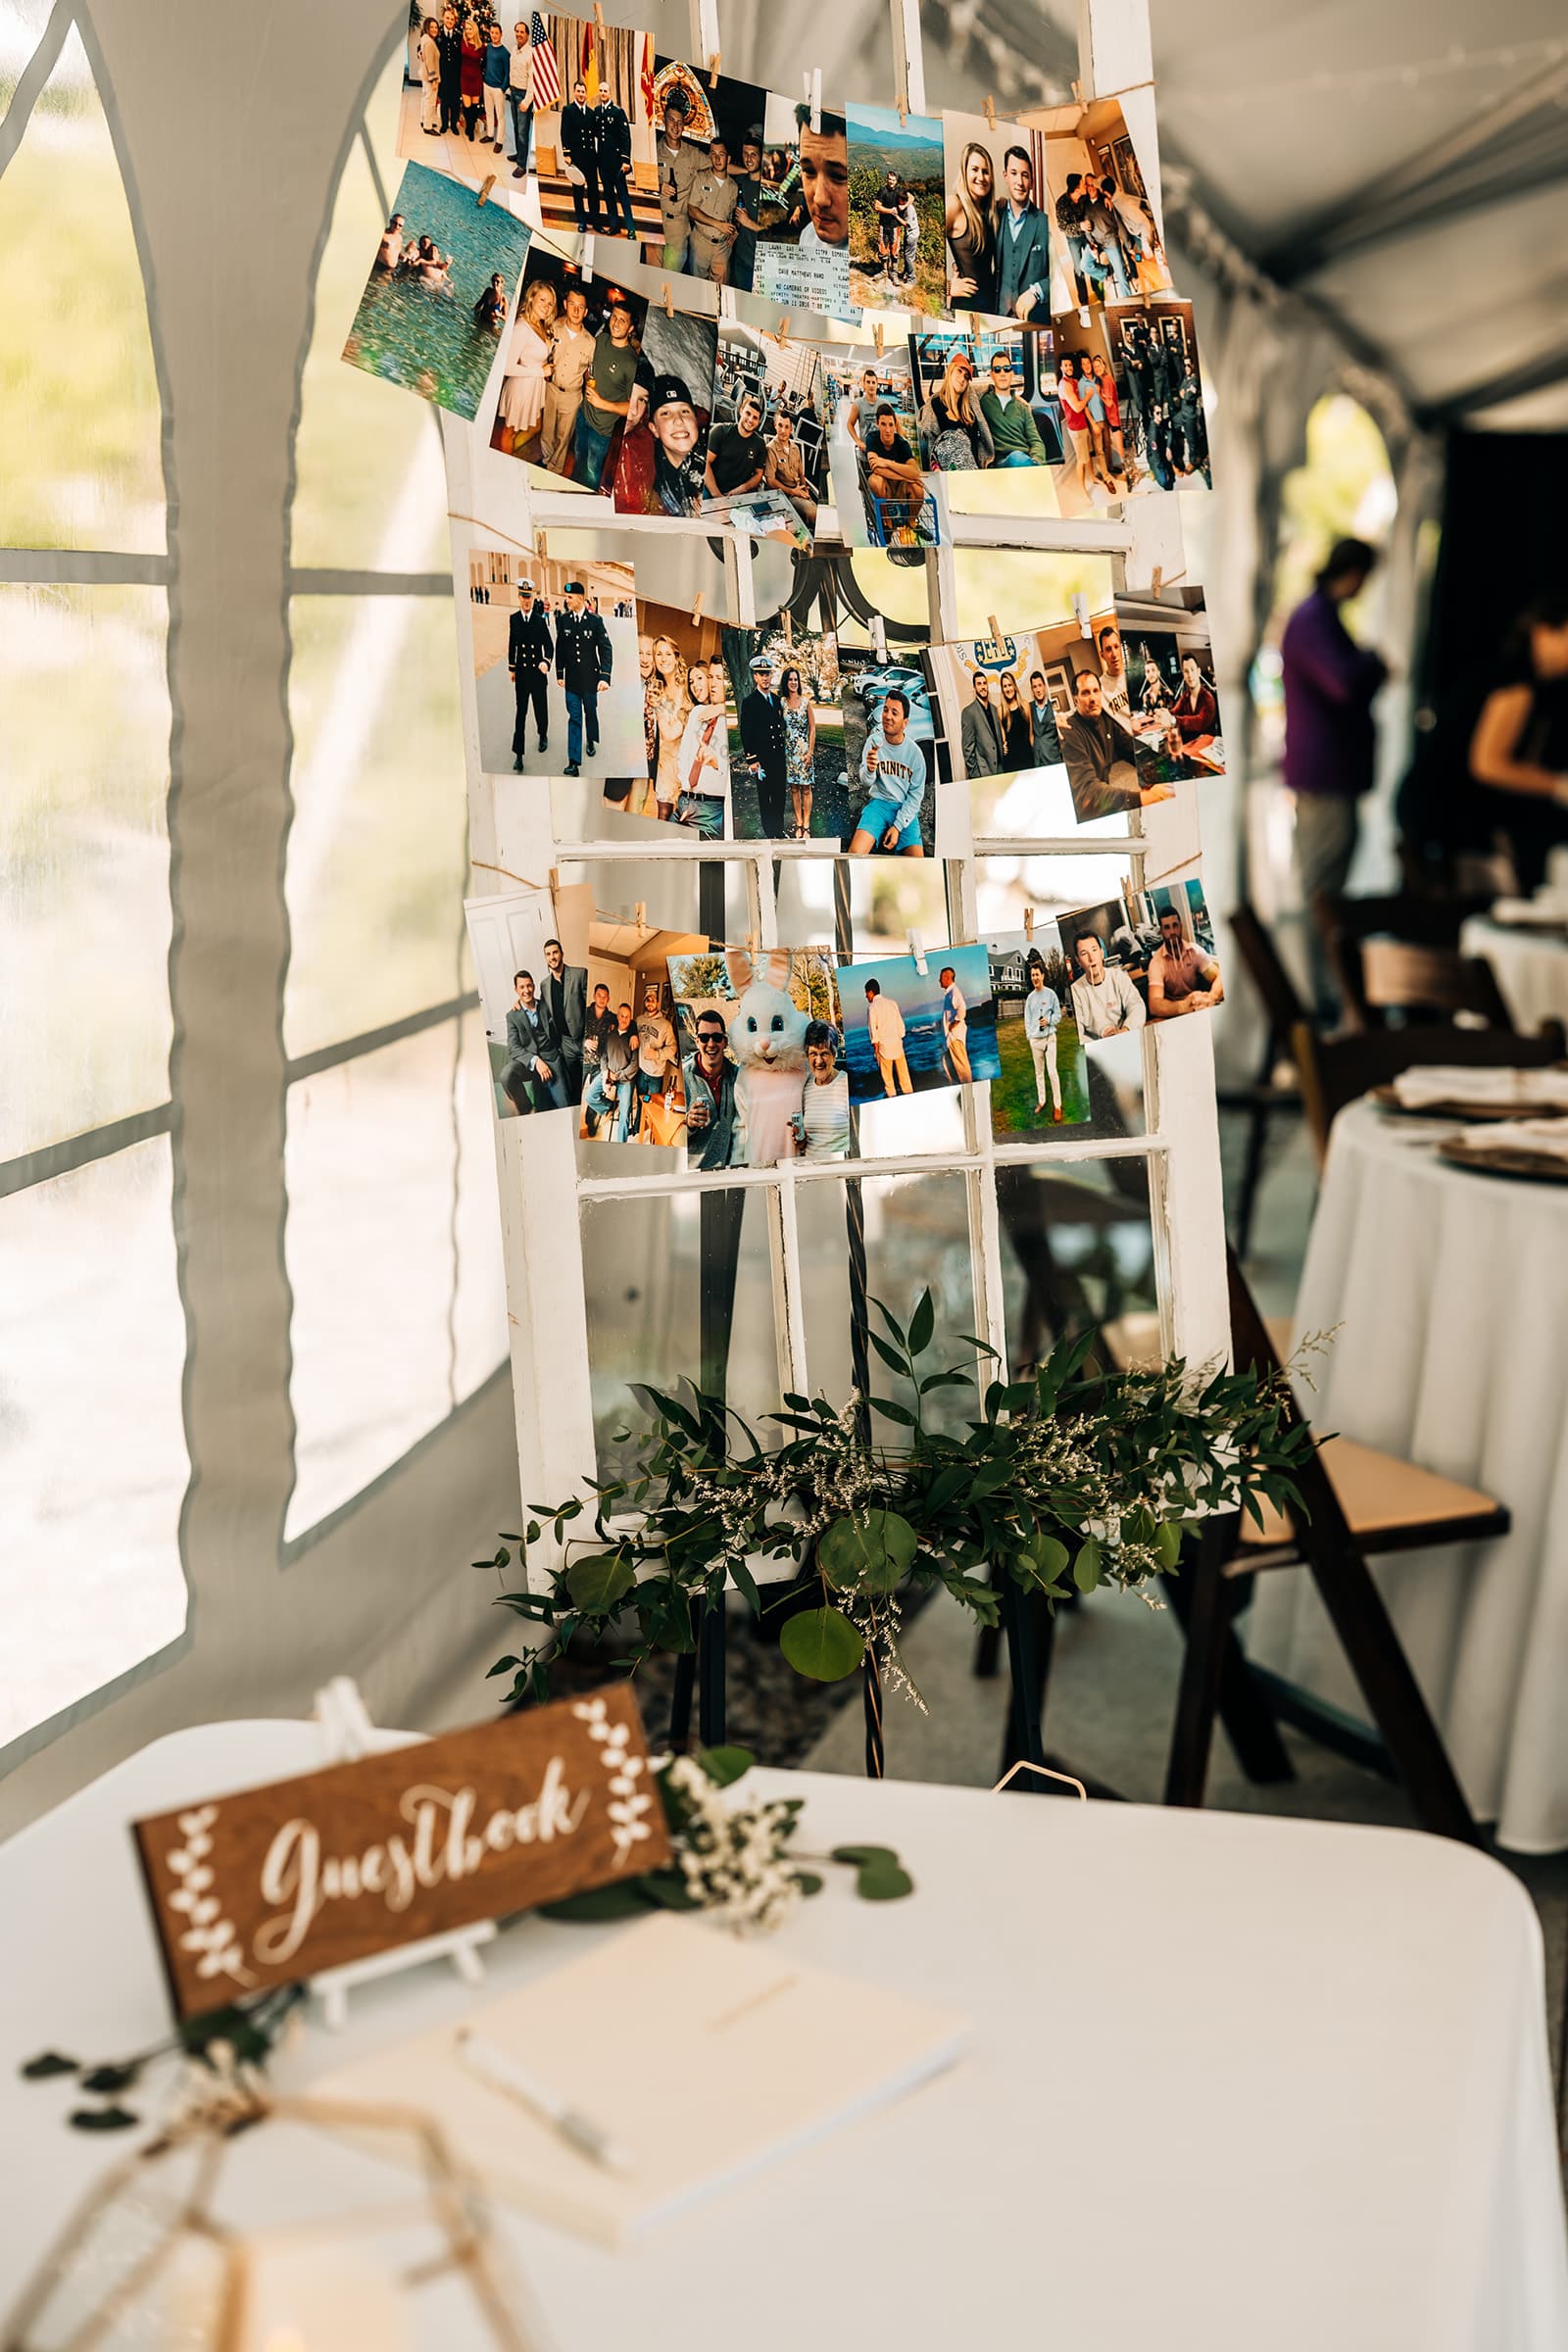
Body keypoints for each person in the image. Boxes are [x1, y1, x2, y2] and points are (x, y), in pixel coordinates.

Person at [1280, 536, 1388, 1006]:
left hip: (1329, 775)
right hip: (1324, 777)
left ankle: (1326, 995)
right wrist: (1375, 663)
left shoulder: (1317, 617)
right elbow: (1342, 683)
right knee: (1322, 893)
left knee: (1326, 889)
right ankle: (1320, 998)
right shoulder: (1313, 619)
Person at [1468, 594, 1568, 892]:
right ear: (1543, 631)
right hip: (1450, 822)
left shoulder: (1539, 685)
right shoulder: (1516, 677)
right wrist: (1558, 786)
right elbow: (1487, 763)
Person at [1061, 667, 1174, 821]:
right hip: (1087, 814)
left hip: (1105, 799)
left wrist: (1163, 769)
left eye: (1096, 691)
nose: (1093, 698)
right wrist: (1143, 798)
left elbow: (1133, 749)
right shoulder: (1070, 732)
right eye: (1085, 693)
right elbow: (1087, 792)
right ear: (1076, 700)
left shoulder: (1105, 720)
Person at [850, 684, 925, 857]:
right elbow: (865, 782)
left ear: (905, 723)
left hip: (905, 807)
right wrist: (869, 769)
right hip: (879, 805)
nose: (887, 717)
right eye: (885, 710)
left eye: (894, 713)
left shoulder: (915, 754)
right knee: (854, 853)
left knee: (918, 861)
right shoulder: (873, 742)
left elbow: (916, 794)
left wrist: (897, 827)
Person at [573, 296, 638, 489]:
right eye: (614, 317)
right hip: (583, 415)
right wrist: (587, 378)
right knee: (578, 456)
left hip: (601, 431)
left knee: (593, 470)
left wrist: (603, 403)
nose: (616, 323)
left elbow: (631, 408)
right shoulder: (600, 339)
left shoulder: (631, 363)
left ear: (631, 328)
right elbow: (589, 367)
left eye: (622, 320)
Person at [555, 579, 612, 774]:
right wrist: (559, 673)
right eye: (566, 597)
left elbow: (606, 649)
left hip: (590, 681)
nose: (567, 600)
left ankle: (591, 739)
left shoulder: (595, 621)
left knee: (590, 713)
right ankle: (573, 762)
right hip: (571, 681)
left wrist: (604, 676)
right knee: (574, 718)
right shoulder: (563, 620)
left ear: (580, 598)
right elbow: (560, 647)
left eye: (570, 597)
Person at [675, 659, 730, 837]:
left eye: (719, 678)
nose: (713, 683)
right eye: (711, 677)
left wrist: (716, 762)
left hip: (710, 809)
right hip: (683, 801)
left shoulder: (734, 720)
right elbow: (683, 754)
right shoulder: (697, 712)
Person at [995, 145, 1051, 319]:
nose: (1019, 181)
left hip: (1033, 319)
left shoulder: (1045, 223)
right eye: (1013, 173)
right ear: (1005, 176)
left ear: (1032, 181)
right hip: (999, 314)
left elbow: (1060, 278)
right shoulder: (994, 217)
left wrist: (1037, 291)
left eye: (1025, 175)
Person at [542, 283, 593, 471]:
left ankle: (555, 469)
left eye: (581, 307)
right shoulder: (553, 327)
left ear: (586, 312)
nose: (576, 310)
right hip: (551, 388)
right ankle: (546, 460)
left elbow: (591, 372)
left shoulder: (591, 343)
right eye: (572, 304)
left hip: (572, 396)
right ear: (565, 304)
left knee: (564, 438)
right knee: (547, 432)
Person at [501, 969, 566, 1113]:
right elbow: (513, 1047)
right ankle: (527, 1109)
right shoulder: (512, 1016)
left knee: (564, 1106)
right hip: (528, 1064)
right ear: (516, 990)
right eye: (522, 987)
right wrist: (535, 1061)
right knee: (507, 1074)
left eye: (529, 986)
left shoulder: (545, 1005)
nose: (526, 990)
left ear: (534, 986)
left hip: (552, 1059)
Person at [684, 1007, 742, 1167]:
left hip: (730, 1173)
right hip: (695, 1174)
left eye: (716, 1037)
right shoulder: (683, 1078)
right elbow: (670, 1136)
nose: (711, 1044)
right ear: (697, 1042)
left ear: (725, 1042)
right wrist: (688, 1124)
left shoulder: (738, 1077)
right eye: (704, 1037)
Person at [919, 345, 992, 471]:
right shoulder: (935, 404)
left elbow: (987, 387)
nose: (962, 379)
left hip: (971, 465)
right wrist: (935, 469)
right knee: (953, 436)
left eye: (966, 376)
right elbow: (933, 446)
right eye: (959, 371)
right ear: (950, 371)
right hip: (948, 468)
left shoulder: (969, 404)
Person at [1146, 902, 1224, 1019]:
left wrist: (1210, 998)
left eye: (1175, 925)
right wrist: (1183, 1007)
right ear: (1161, 931)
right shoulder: (1156, 963)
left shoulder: (1195, 951)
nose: (1172, 932)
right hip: (1173, 1014)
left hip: (1198, 1007)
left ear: (1180, 926)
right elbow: (1154, 1004)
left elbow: (1220, 977)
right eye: (1167, 927)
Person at [739, 652, 788, 836]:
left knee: (779, 795)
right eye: (761, 674)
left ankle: (779, 830)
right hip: (762, 759)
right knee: (765, 797)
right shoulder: (750, 702)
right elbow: (746, 732)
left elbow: (780, 726)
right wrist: (752, 760)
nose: (765, 678)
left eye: (767, 673)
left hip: (778, 757)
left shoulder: (776, 700)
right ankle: (770, 833)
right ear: (755, 677)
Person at [946, 139, 997, 312]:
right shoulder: (954, 205)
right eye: (975, 170)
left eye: (986, 171)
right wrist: (946, 287)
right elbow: (916, 241)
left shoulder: (990, 211)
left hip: (992, 306)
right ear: (964, 172)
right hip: (966, 307)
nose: (981, 177)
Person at [507, 576, 552, 764]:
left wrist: (545, 662)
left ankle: (543, 734)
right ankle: (518, 754)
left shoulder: (540, 621)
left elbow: (549, 646)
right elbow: (512, 644)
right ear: (519, 598)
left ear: (533, 599)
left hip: (537, 674)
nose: (526, 601)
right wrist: (511, 668)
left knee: (540, 708)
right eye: (523, 597)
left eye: (529, 597)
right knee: (521, 713)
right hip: (523, 675)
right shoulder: (514, 619)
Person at [1068, 929, 1145, 1039]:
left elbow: (1137, 1006)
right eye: (1084, 953)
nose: (1091, 958)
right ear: (1079, 961)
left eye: (1094, 950)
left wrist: (1126, 1030)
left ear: (1101, 952)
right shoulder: (1075, 991)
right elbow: (1078, 1034)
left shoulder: (1118, 976)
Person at [863, 403, 927, 535]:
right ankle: (887, 522)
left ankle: (912, 522)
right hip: (884, 486)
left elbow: (915, 472)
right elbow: (876, 469)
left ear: (895, 425)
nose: (887, 430)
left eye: (891, 425)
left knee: (917, 489)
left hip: (899, 488)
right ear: (877, 424)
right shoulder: (871, 439)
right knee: (876, 480)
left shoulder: (902, 444)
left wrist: (887, 463)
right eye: (883, 424)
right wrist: (905, 474)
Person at [979, 350, 1049, 467]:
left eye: (1006, 369)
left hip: (1024, 459)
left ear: (1011, 373)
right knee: (1016, 457)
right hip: (1001, 462)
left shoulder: (1023, 407)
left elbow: (1036, 441)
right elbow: (966, 391)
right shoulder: (984, 401)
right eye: (997, 369)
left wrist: (1036, 460)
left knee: (1020, 458)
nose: (1002, 373)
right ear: (992, 375)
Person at [792, 1022, 851, 1158]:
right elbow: (806, 1143)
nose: (818, 1061)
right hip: (811, 1170)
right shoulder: (806, 1087)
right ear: (807, 1055)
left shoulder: (846, 1084)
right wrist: (801, 1142)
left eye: (824, 1053)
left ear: (834, 1055)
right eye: (813, 1054)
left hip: (841, 1169)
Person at [656, 91, 701, 270]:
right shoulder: (653, 151)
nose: (675, 126)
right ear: (664, 121)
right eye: (671, 120)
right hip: (654, 224)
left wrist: (750, 170)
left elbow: (718, 164)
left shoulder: (693, 154)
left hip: (678, 230)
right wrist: (658, 186)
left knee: (669, 279)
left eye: (680, 122)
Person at [646, 633, 688, 820]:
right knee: (662, 815)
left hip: (683, 760)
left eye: (668, 654)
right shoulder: (656, 687)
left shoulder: (687, 686)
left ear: (676, 656)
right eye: (658, 654)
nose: (663, 659)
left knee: (683, 818)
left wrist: (657, 708)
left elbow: (672, 733)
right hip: (662, 761)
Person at [541, 934, 587, 1103]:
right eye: (548, 954)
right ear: (545, 958)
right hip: (565, 1043)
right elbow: (541, 1008)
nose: (552, 957)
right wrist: (521, 1003)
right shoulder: (544, 985)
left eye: (555, 952)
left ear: (561, 953)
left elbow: (590, 1005)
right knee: (574, 1083)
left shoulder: (579, 974)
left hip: (584, 1038)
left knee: (590, 1079)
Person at [583, 1001, 638, 1141]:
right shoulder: (610, 1034)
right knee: (589, 1097)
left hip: (625, 1080)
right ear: (617, 1017)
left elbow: (634, 1065)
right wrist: (606, 1073)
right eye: (621, 1016)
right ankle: (609, 1106)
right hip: (608, 1074)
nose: (624, 1019)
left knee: (624, 1115)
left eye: (627, 1016)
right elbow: (604, 1057)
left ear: (630, 1018)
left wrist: (617, 1076)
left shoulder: (633, 1039)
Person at [688, 135, 738, 282]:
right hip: (700, 244)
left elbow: (733, 215)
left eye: (721, 154)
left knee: (719, 292)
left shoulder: (734, 187)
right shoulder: (700, 178)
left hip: (722, 248)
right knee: (697, 288)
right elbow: (692, 209)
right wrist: (717, 224)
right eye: (713, 154)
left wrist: (735, 232)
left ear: (728, 158)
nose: (717, 159)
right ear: (709, 156)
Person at [705, 389, 767, 500]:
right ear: (741, 411)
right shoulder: (720, 431)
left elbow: (759, 474)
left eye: (755, 418)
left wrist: (742, 489)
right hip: (712, 489)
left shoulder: (760, 444)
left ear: (758, 422)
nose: (750, 420)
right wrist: (717, 495)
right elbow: (705, 463)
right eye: (748, 413)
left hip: (739, 494)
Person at [592, 83, 635, 241]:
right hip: (603, 162)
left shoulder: (618, 112)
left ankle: (631, 229)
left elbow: (625, 137)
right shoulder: (596, 112)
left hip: (617, 163)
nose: (603, 93)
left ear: (610, 93)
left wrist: (626, 160)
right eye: (601, 91)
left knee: (623, 195)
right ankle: (614, 225)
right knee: (609, 195)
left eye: (605, 91)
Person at [1022, 954, 1063, 1120]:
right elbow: (1027, 1019)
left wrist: (1049, 1021)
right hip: (1035, 1041)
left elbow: (1059, 1016)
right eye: (1032, 975)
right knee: (1039, 1073)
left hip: (1049, 1038)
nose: (1035, 977)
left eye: (1037, 974)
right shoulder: (1030, 998)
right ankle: (1042, 1101)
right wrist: (1029, 1037)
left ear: (1043, 975)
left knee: (1052, 1072)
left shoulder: (1051, 994)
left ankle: (1057, 1106)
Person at [633, 981, 678, 1132]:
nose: (650, 1002)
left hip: (655, 1074)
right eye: (647, 999)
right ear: (645, 1002)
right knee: (640, 1101)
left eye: (653, 999)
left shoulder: (666, 1025)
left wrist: (657, 1054)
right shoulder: (639, 1020)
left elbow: (673, 1048)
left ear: (657, 1002)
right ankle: (638, 1126)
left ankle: (651, 1130)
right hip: (640, 1070)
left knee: (652, 1105)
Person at [779, 662, 816, 839]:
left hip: (804, 754)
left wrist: (810, 752)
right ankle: (799, 822)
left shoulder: (805, 702)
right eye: (790, 679)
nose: (793, 682)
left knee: (806, 788)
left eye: (796, 679)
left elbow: (812, 728)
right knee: (794, 789)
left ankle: (807, 824)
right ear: (786, 682)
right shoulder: (782, 703)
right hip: (789, 754)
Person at [764, 411, 816, 531]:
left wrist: (804, 490)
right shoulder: (771, 449)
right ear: (775, 425)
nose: (783, 430)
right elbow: (770, 481)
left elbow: (801, 473)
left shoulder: (795, 448)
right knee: (813, 512)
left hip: (799, 491)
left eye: (786, 427)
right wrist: (793, 492)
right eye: (780, 425)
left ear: (791, 429)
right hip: (786, 494)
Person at [729, 134, 765, 294]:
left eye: (753, 155)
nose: (748, 159)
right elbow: (723, 166)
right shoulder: (741, 181)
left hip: (759, 263)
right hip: (740, 258)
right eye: (745, 154)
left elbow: (773, 232)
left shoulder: (768, 188)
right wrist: (735, 230)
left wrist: (747, 222)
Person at [863, 977, 911, 1096]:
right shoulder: (892, 1003)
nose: (866, 997)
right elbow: (901, 1026)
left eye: (866, 994)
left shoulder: (872, 1008)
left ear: (870, 992)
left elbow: (873, 1032)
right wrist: (899, 1038)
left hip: (884, 1048)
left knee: (888, 1082)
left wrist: (876, 1051)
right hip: (897, 1044)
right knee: (905, 1079)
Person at [560, 77, 596, 230]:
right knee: (578, 190)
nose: (581, 94)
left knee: (593, 190)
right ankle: (581, 220)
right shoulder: (568, 110)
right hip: (576, 156)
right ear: (574, 92)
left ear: (586, 94)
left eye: (583, 91)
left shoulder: (591, 112)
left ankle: (595, 221)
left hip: (590, 156)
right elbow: (564, 132)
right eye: (578, 91)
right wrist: (567, 154)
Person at [960, 669, 1005, 776]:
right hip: (983, 772)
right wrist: (976, 775)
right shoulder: (968, 712)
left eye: (984, 683)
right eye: (979, 684)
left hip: (1000, 769)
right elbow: (968, 748)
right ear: (974, 687)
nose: (983, 687)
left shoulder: (995, 709)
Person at [1171, 654, 1219, 742]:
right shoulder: (1185, 697)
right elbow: (1173, 712)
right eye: (1186, 671)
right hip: (1188, 747)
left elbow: (1200, 722)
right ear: (1183, 675)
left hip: (1207, 749)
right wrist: (1162, 714)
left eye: (1192, 669)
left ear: (1198, 671)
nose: (1190, 675)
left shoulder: (1208, 698)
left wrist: (1173, 720)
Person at [506, 20, 533, 175]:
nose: (519, 34)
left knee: (523, 132)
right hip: (513, 93)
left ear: (527, 35)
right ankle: (518, 154)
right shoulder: (514, 50)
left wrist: (527, 101)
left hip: (523, 96)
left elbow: (533, 80)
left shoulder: (531, 54)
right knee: (516, 127)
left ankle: (522, 165)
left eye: (522, 32)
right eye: (517, 31)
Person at [939, 964, 971, 1083]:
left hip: (955, 1036)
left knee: (961, 1066)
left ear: (947, 977)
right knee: (951, 1066)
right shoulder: (949, 993)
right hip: (950, 1037)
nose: (939, 980)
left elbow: (962, 1008)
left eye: (941, 978)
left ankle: (968, 1086)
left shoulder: (954, 992)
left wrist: (955, 1022)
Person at [481, 24, 510, 150]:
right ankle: (490, 135)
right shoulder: (488, 48)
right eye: (492, 33)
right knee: (489, 112)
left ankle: (499, 141)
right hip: (487, 84)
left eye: (496, 33)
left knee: (500, 115)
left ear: (501, 34)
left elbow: (508, 73)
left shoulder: (505, 53)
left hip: (498, 88)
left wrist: (502, 88)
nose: (494, 35)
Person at [1096, 622, 1132, 720]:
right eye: (1108, 649)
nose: (1114, 654)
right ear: (1102, 655)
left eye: (1116, 647)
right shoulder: (1099, 688)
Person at [435, 6, 464, 135]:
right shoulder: (438, 34)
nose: (449, 21)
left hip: (455, 75)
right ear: (443, 18)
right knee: (444, 100)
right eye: (447, 18)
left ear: (454, 20)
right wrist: (420, 51)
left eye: (452, 19)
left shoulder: (458, 35)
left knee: (455, 102)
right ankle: (444, 124)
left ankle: (453, 125)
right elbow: (425, 45)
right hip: (442, 74)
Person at [997, 670, 1033, 767]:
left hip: (1027, 758)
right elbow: (1003, 739)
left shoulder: (1025, 706)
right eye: (1005, 686)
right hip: (1010, 761)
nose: (1008, 689)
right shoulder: (1000, 710)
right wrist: (1003, 746)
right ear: (1002, 689)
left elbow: (1031, 735)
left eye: (1010, 685)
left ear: (1015, 686)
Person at [458, 20, 486, 142]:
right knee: (467, 106)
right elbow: (461, 55)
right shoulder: (463, 42)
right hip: (464, 77)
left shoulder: (482, 46)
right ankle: (469, 128)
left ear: (474, 30)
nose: (468, 31)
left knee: (474, 107)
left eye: (470, 29)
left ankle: (471, 128)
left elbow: (484, 62)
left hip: (476, 78)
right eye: (466, 29)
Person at [1028, 670, 1062, 765]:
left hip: (1054, 760)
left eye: (1040, 685)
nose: (1038, 690)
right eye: (1035, 687)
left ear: (1044, 686)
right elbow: (1030, 734)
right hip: (1038, 762)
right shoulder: (1028, 708)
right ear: (1032, 690)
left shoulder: (1053, 708)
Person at [874, 170, 903, 280]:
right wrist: (890, 211)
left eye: (893, 180)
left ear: (896, 181)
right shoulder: (882, 191)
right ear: (887, 179)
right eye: (890, 179)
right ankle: (884, 271)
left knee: (895, 251)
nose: (891, 182)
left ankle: (894, 273)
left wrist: (903, 207)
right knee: (882, 250)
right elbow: (877, 207)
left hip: (895, 226)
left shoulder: (899, 191)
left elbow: (911, 197)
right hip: (883, 225)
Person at [416, 22, 441, 134]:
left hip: (424, 74)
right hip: (429, 76)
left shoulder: (424, 39)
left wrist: (420, 53)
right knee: (430, 101)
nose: (434, 29)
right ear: (427, 27)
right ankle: (428, 126)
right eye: (432, 27)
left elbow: (422, 53)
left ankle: (423, 120)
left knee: (425, 98)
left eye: (436, 27)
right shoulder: (429, 42)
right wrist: (434, 80)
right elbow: (430, 63)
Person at [901, 184, 920, 287]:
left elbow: (906, 224)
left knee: (909, 257)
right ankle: (906, 274)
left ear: (903, 201)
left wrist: (895, 215)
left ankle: (911, 279)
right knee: (907, 255)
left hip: (911, 234)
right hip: (913, 233)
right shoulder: (909, 206)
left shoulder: (908, 210)